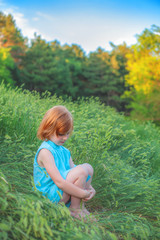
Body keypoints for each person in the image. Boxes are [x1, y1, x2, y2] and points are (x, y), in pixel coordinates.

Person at [33, 105, 96, 219]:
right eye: (61, 134)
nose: (65, 138)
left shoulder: (65, 151)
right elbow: (59, 182)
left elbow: (76, 171)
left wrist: (90, 188)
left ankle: (80, 207)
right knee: (81, 171)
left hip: (61, 193)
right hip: (49, 196)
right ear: (48, 129)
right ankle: (74, 209)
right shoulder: (45, 151)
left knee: (88, 167)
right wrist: (81, 193)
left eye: (67, 133)